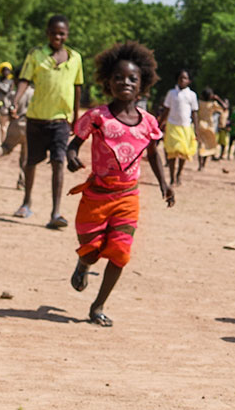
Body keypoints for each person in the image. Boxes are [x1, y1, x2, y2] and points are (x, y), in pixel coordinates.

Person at [64, 42, 174, 327]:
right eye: (118, 77)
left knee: (121, 252)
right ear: (107, 82)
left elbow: (153, 154)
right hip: (96, 196)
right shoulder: (98, 117)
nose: (125, 82)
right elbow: (74, 144)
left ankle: (98, 305)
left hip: (128, 196)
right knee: (90, 250)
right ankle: (83, 264)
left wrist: (166, 184)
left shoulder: (148, 122)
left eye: (132, 78)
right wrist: (72, 156)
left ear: (142, 85)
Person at [9, 14, 82, 229]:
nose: (57, 37)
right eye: (53, 33)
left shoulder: (75, 58)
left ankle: (55, 212)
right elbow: (24, 80)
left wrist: (76, 117)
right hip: (36, 118)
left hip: (60, 120)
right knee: (31, 162)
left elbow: (78, 88)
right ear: (47, 33)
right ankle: (26, 202)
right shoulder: (36, 55)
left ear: (67, 34)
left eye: (61, 33)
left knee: (59, 162)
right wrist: (16, 99)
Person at [156, 70, 197, 185]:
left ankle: (179, 174)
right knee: (172, 152)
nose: (182, 80)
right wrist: (159, 125)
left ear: (189, 81)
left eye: (185, 78)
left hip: (186, 127)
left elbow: (194, 113)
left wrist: (196, 130)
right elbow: (166, 110)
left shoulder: (192, 95)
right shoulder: (172, 93)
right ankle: (172, 177)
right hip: (172, 125)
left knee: (183, 152)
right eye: (180, 78)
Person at [194, 88, 225, 171]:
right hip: (210, 126)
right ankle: (203, 164)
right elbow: (225, 107)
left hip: (200, 125)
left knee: (201, 146)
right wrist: (218, 98)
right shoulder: (213, 104)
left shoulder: (199, 103)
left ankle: (200, 165)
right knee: (207, 146)